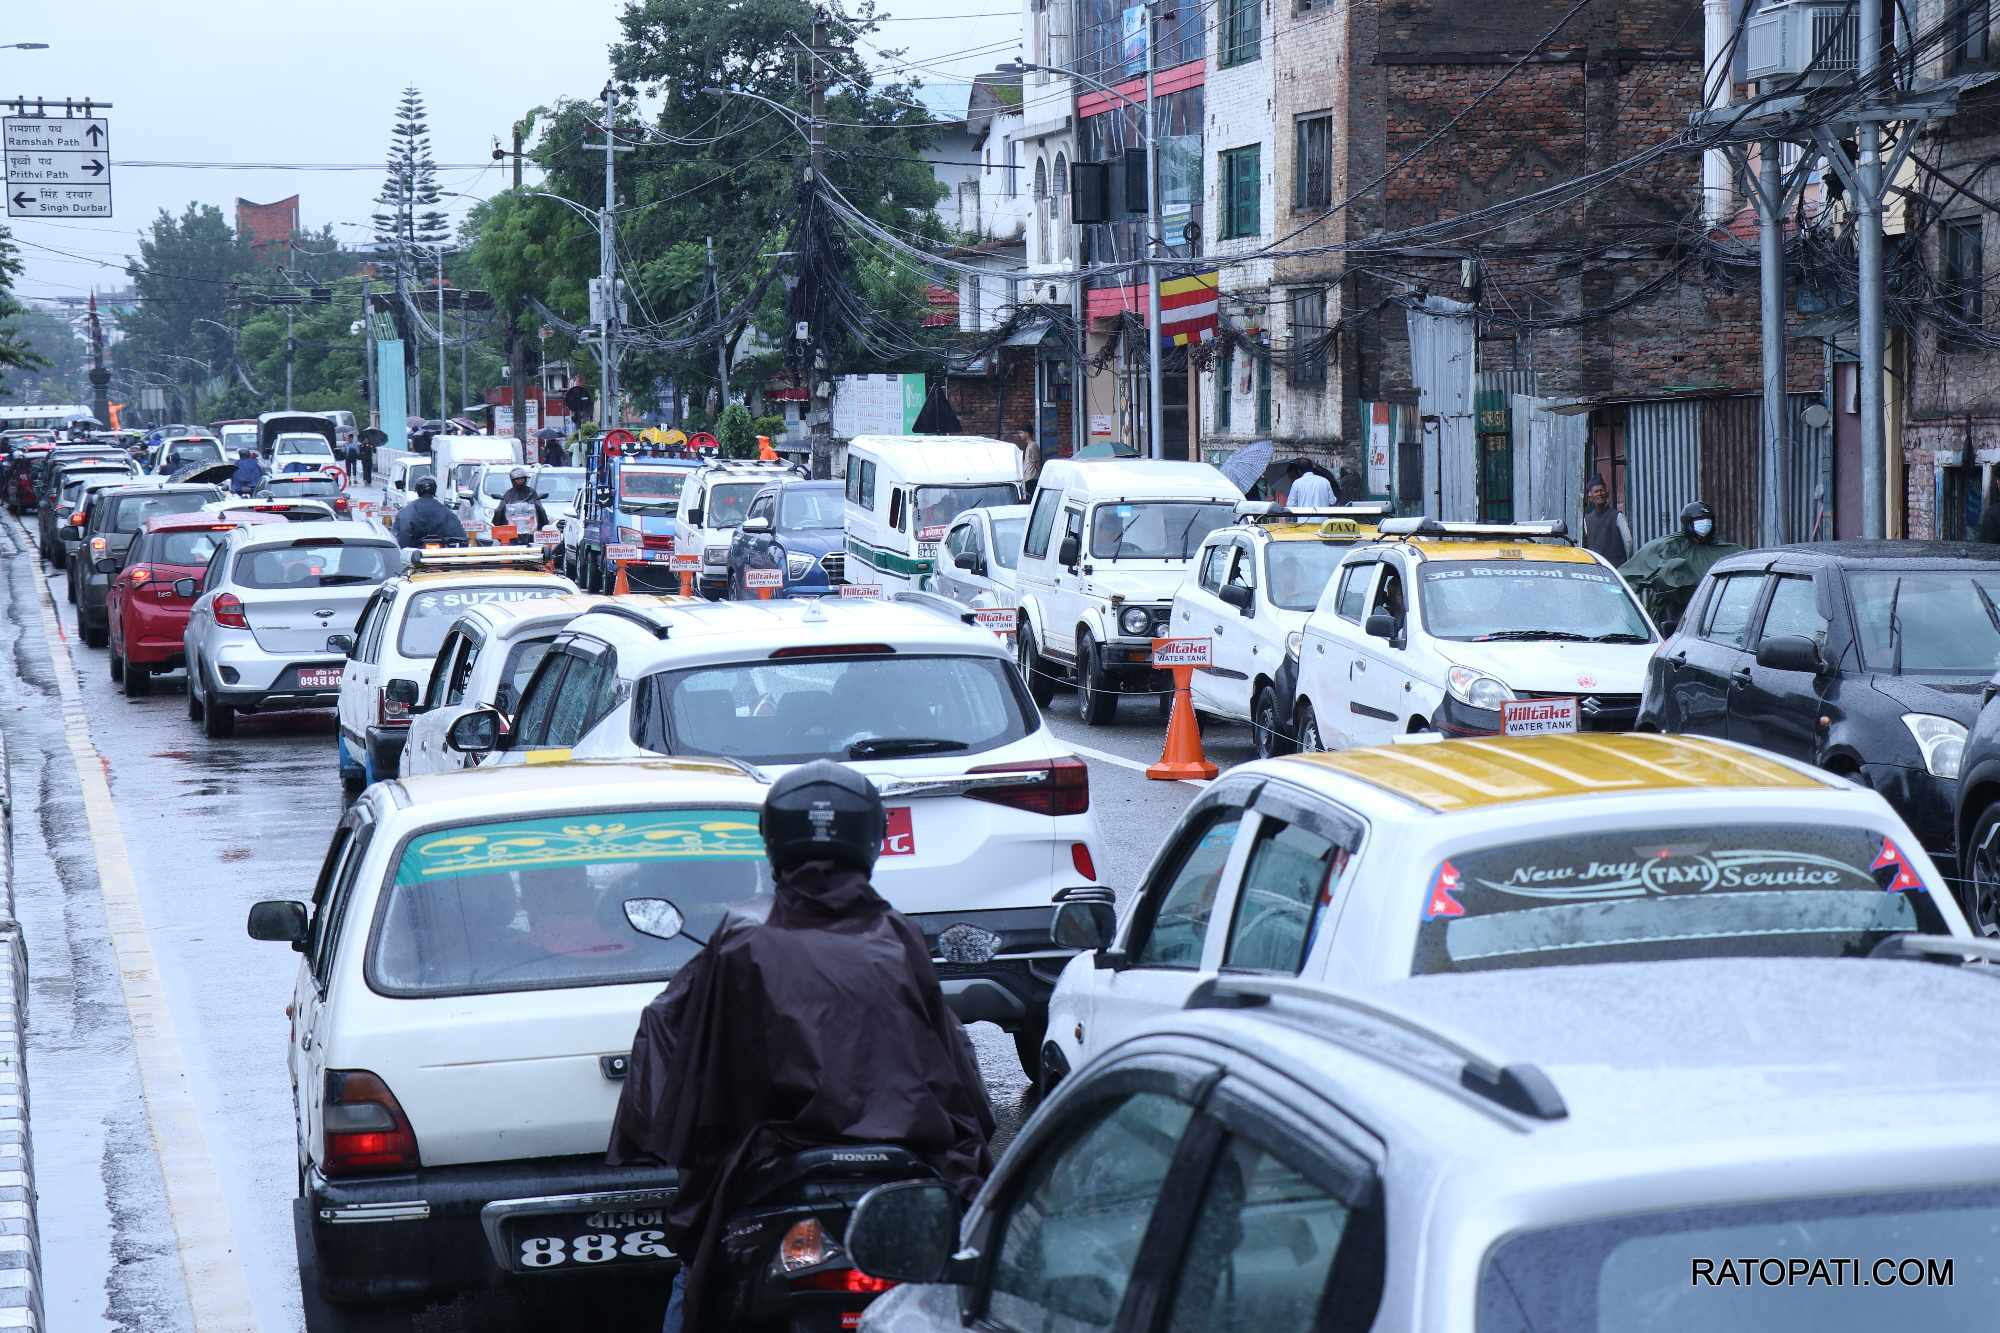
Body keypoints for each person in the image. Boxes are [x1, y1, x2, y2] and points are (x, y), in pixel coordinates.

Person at [609, 761, 994, 1333]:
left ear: (774, 841)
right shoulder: (898, 935)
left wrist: (656, 1131)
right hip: (899, 1166)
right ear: (871, 839)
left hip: (768, 1168)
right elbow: (952, 1067)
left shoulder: (741, 937)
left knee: (696, 1278)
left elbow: (672, 1034)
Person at [1620, 500, 1744, 630]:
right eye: (1700, 521)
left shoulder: (1725, 549)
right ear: (1688, 523)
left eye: (1708, 520)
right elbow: (1630, 576)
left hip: (1717, 614)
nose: (1705, 524)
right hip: (1674, 614)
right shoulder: (1669, 546)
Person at [392, 475, 468, 548]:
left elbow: (400, 535)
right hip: (441, 554)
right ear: (434, 490)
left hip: (414, 553)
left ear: (417, 491)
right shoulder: (445, 511)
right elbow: (460, 535)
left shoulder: (407, 510)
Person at [1581, 476, 1632, 567]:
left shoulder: (1618, 516)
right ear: (1590, 497)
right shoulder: (1586, 520)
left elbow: (1628, 542)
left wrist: (1627, 565)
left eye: (1602, 490)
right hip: (1597, 570)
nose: (1600, 494)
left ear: (1606, 493)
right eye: (1596, 492)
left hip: (1616, 570)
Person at [491, 466, 547, 544]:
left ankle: (542, 528)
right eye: (518, 479)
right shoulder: (509, 493)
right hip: (513, 517)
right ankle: (499, 530)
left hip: (528, 516)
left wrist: (536, 502)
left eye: (522, 479)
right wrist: (503, 505)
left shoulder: (531, 491)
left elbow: (536, 501)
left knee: (541, 509)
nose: (520, 481)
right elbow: (503, 503)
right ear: (513, 481)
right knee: (498, 511)